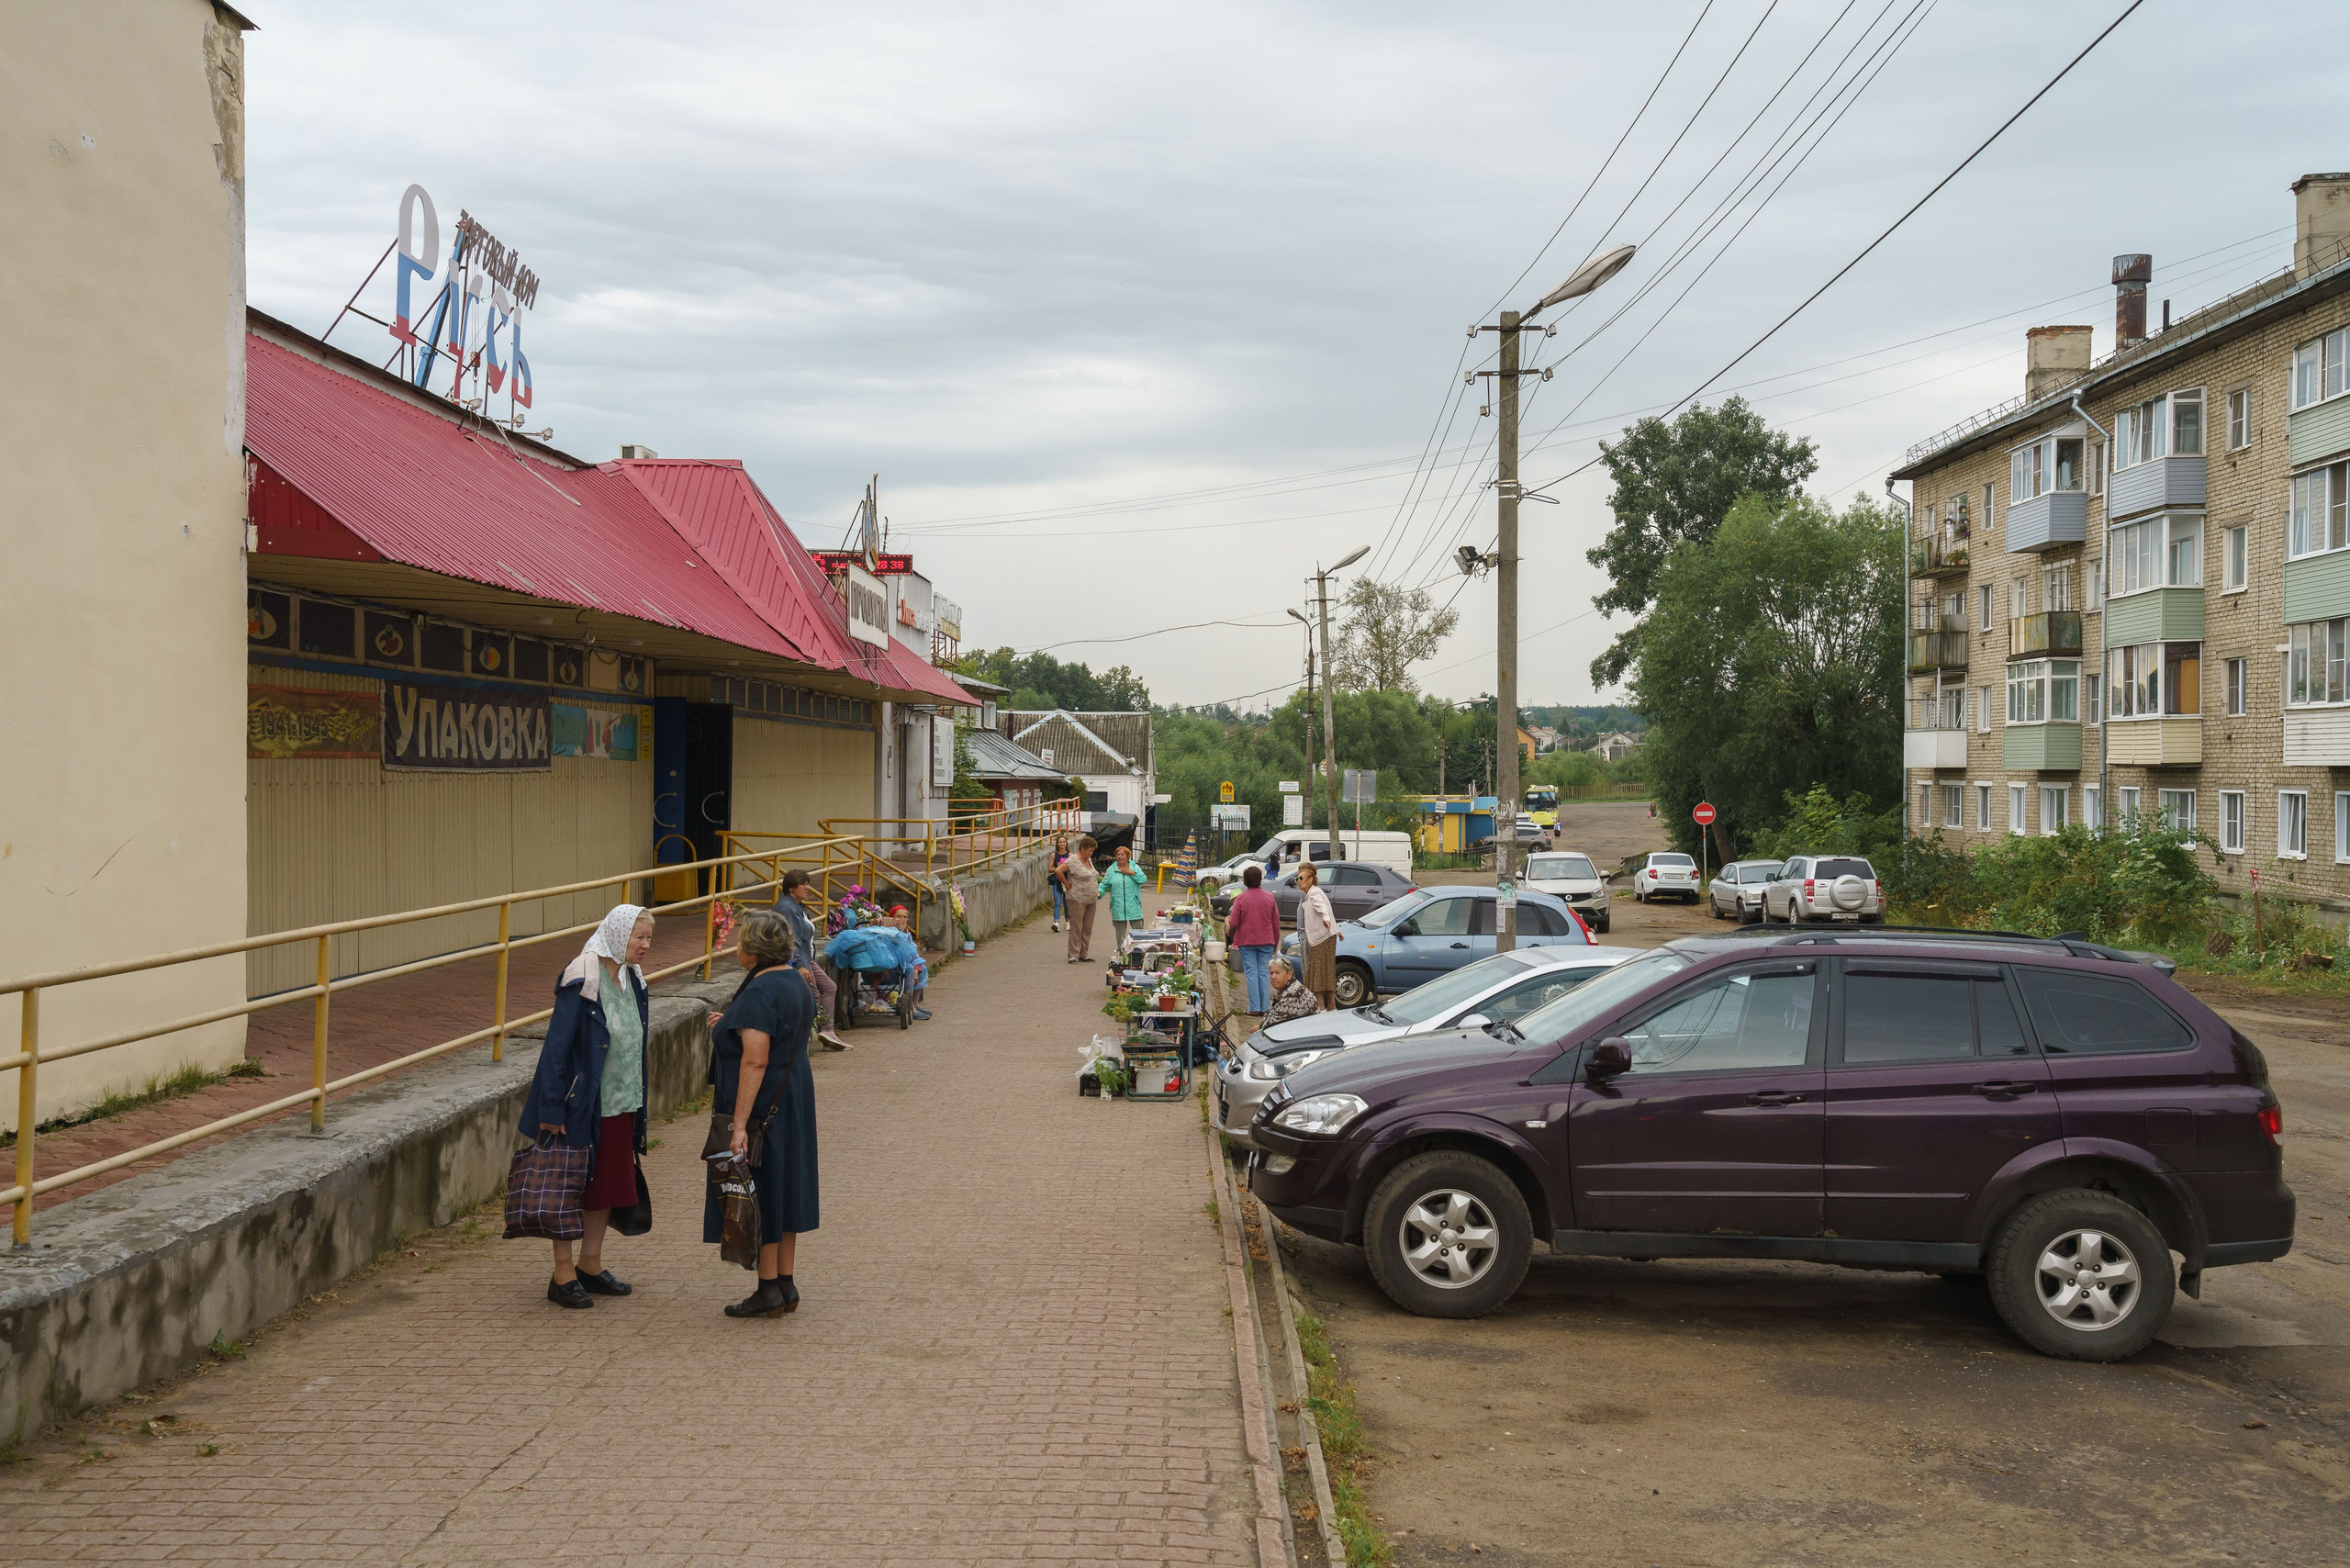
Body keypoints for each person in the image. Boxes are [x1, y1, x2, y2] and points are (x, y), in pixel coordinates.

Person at [517, 903, 653, 1310]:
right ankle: (562, 1274)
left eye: (648, 938)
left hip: (620, 1103)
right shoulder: (583, 978)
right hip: (580, 1105)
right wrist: (551, 1109)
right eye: (639, 937)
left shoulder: (633, 978)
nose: (645, 945)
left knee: (605, 1186)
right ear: (618, 934)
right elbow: (556, 1049)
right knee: (568, 1186)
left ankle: (590, 1264)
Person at [704, 909, 819, 1319]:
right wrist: (728, 1026)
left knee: (764, 1189)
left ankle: (767, 1288)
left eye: (740, 942)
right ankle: (786, 1282)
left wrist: (738, 1126)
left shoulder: (760, 989)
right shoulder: (796, 981)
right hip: (794, 1100)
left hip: (764, 1106)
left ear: (753, 949)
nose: (737, 947)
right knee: (786, 1188)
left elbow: (754, 1060)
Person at [777, 871, 850, 1051]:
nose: (807, 888)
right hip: (799, 960)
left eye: (807, 884)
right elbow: (790, 941)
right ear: (791, 887)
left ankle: (827, 1031)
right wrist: (800, 966)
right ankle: (801, 1037)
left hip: (808, 958)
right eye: (803, 884)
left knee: (830, 987)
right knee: (813, 996)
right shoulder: (787, 907)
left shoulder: (798, 906)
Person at [1225, 863, 1281, 1015]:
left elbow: (1234, 922)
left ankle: (1254, 1008)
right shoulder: (1269, 897)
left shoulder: (1241, 899)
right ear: (1260, 879)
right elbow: (1276, 923)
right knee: (1264, 973)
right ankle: (1265, 1008)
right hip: (1267, 940)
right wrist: (1275, 941)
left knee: (1251, 973)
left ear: (1245, 881)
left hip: (1246, 941)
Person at [1295, 860, 1339, 1012]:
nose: (1298, 881)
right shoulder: (1312, 892)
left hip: (1320, 937)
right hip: (1326, 935)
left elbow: (1322, 908)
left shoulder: (1313, 893)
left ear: (1310, 879)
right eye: (1297, 878)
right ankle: (1331, 1005)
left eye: (1301, 878)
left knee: (1315, 971)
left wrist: (1326, 919)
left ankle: (1321, 1006)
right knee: (1326, 970)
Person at [883, 905, 932, 1021]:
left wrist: (917, 968)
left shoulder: (907, 934)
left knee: (922, 969)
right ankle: (910, 1008)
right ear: (891, 918)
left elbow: (913, 954)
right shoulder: (887, 933)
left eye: (905, 917)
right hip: (891, 969)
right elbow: (896, 954)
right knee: (910, 969)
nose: (902, 920)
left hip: (904, 966)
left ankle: (915, 1005)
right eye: (898, 917)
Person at [1099, 843, 1147, 957]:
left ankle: (1140, 953)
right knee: (1120, 933)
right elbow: (1104, 884)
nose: (1120, 857)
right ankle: (1123, 954)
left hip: (1133, 905)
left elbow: (1143, 879)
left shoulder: (1135, 867)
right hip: (1118, 906)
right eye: (1118, 855)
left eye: (1122, 854)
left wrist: (1131, 873)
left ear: (1127, 856)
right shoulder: (1112, 869)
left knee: (1138, 931)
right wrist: (1099, 892)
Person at [1058, 834, 1102, 963]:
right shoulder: (1073, 860)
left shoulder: (1088, 860)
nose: (1091, 853)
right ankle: (1073, 954)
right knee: (1076, 926)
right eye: (1090, 850)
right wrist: (1067, 885)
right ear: (1082, 848)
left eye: (1092, 851)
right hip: (1077, 899)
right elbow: (1059, 871)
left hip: (1091, 900)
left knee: (1087, 927)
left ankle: (1084, 953)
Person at [1262, 954, 1319, 1027]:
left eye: (1278, 973)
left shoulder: (1293, 994)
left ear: (1289, 974)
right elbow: (1269, 1013)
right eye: (1271, 973)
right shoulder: (1284, 989)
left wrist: (1259, 1027)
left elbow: (1273, 1026)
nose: (1273, 977)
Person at [1049, 832, 1071, 933]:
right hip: (1057, 881)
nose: (1062, 844)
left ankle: (1067, 922)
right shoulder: (1053, 855)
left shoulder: (1070, 855)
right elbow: (1049, 869)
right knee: (1058, 902)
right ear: (1057, 844)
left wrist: (1066, 867)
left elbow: (1074, 868)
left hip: (1067, 881)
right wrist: (1057, 868)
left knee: (1067, 903)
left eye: (1063, 842)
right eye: (1060, 842)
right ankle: (1056, 923)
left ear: (1066, 844)